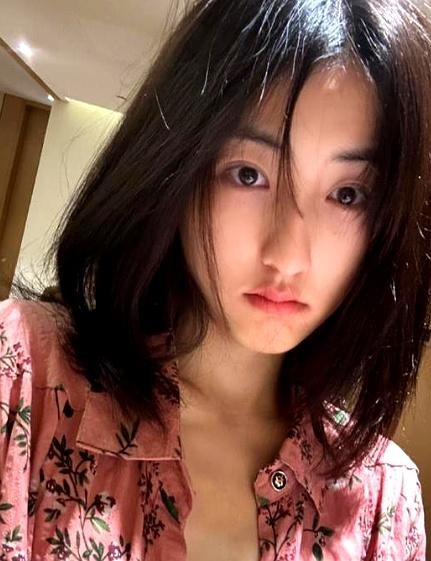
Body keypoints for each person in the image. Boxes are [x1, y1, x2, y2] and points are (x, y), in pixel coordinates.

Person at [1, 0, 430, 559]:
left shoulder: (384, 500)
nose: (287, 256)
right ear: (178, 170)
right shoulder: (24, 376)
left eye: (347, 194)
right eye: (248, 174)